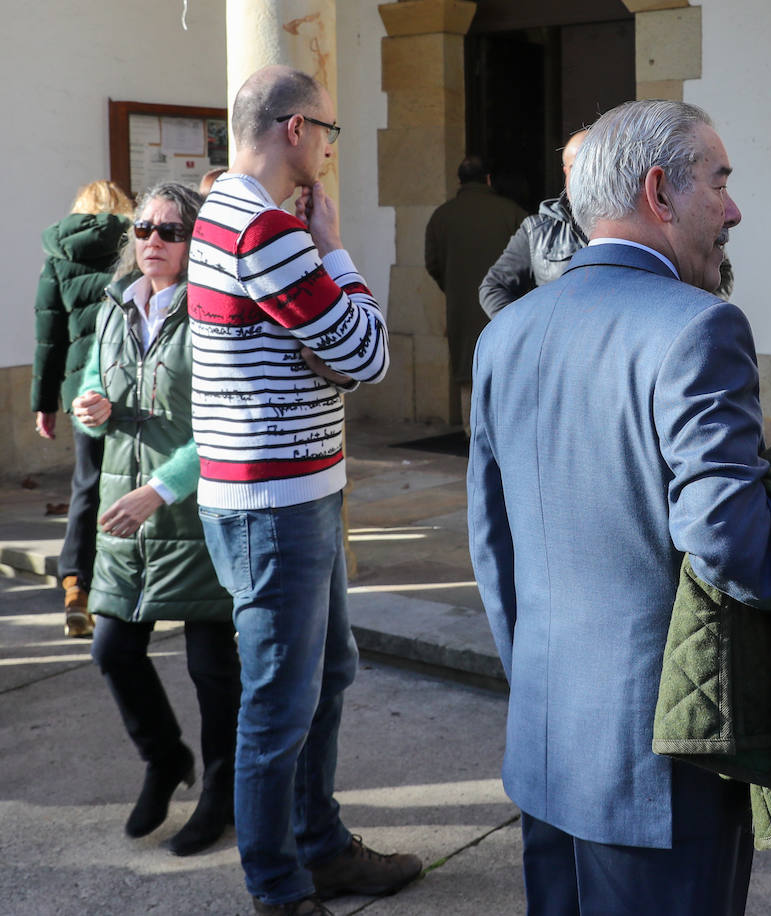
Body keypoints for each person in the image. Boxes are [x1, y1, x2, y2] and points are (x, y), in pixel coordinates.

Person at [468, 99, 771, 915]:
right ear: (660, 192)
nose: (734, 210)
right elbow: (728, 540)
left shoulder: (504, 334)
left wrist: (537, 675)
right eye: (720, 183)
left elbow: (490, 542)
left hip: (546, 742)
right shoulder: (700, 328)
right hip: (661, 760)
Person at [186, 65, 418, 915]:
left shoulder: (225, 212)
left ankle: (320, 848)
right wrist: (338, 247)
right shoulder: (267, 232)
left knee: (325, 674)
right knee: (280, 706)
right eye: (328, 128)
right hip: (274, 506)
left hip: (287, 491)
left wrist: (325, 339)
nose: (329, 144)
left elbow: (332, 352)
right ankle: (280, 889)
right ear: (294, 130)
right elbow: (367, 357)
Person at [72, 181, 241, 857]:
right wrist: (89, 401)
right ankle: (164, 758)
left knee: (212, 668)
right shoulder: (115, 306)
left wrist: (161, 490)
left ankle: (221, 796)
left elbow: (229, 422)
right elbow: (91, 375)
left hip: (194, 511)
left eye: (171, 231)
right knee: (112, 649)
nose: (153, 242)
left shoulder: (213, 311)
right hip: (125, 509)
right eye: (144, 229)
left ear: (196, 240)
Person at [30, 179, 133, 638]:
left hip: (81, 389)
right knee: (141, 480)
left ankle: (76, 585)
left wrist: (44, 403)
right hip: (131, 383)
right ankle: (133, 581)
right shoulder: (136, 244)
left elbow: (48, 335)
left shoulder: (59, 254)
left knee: (88, 485)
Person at [423, 155, 527, 435]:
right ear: (489, 179)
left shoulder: (442, 216)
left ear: (459, 181)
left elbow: (432, 263)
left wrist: (454, 287)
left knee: (468, 372)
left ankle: (472, 434)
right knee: (507, 370)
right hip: (505, 308)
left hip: (460, 307)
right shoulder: (512, 212)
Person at [477, 130, 588, 316]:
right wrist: (527, 334)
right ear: (566, 172)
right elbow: (493, 287)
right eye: (577, 167)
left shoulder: (628, 224)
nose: (586, 176)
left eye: (593, 167)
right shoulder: (537, 230)